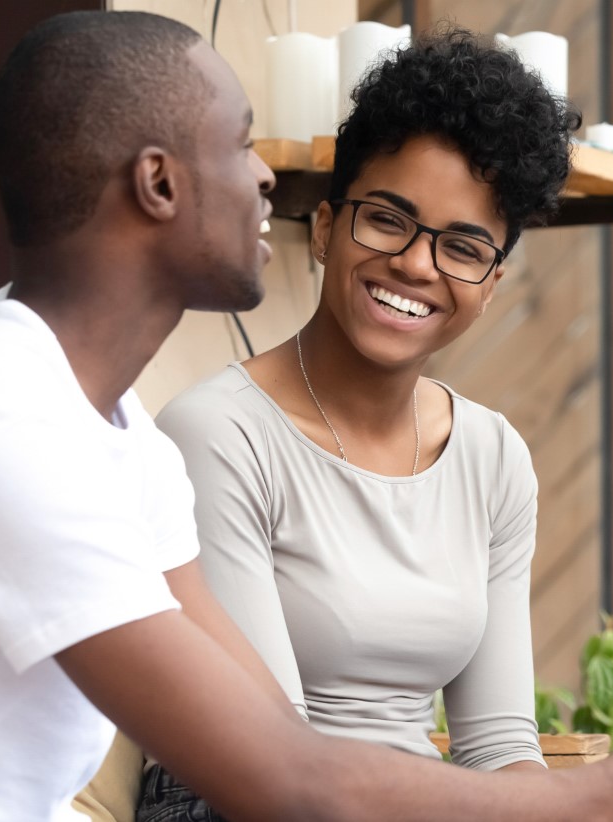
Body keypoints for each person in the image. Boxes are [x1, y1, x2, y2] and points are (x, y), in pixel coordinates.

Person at [0, 11, 613, 821]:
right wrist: (611, 793)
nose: (268, 174)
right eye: (240, 144)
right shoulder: (16, 435)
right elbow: (282, 780)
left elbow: (274, 734)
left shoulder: (114, 436)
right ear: (159, 183)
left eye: (462, 245)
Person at [138, 28, 571, 817]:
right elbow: (275, 763)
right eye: (388, 220)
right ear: (330, 227)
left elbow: (500, 747)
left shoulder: (493, 457)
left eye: (463, 247)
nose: (415, 264)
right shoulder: (218, 437)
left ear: (491, 282)